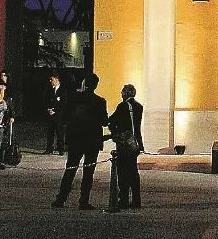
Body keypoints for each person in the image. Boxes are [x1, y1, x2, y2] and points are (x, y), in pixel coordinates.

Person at [52, 73, 109, 209]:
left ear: (84, 83)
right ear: (96, 85)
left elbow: (65, 118)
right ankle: (84, 201)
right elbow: (104, 122)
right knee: (88, 172)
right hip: (92, 140)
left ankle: (61, 198)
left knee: (70, 169)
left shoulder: (73, 99)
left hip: (75, 139)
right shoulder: (100, 101)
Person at [109, 83, 144, 208]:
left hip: (124, 143)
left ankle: (123, 199)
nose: (121, 94)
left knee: (122, 171)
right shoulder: (139, 107)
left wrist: (114, 132)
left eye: (122, 92)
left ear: (126, 93)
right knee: (133, 171)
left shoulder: (122, 106)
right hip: (134, 143)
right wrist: (140, 144)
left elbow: (112, 121)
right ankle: (136, 200)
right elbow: (137, 127)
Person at [44, 74, 68, 155]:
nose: (50, 81)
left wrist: (55, 110)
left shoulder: (63, 90)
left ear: (57, 80)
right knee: (50, 132)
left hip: (59, 115)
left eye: (52, 79)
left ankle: (60, 149)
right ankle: (49, 148)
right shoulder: (49, 90)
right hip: (50, 114)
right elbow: (46, 100)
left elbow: (63, 103)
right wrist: (48, 109)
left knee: (59, 132)